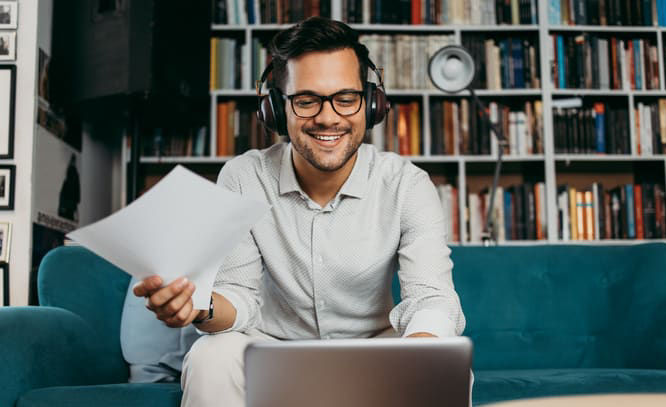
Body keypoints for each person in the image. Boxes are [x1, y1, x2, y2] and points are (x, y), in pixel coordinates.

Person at [133, 16, 467, 406]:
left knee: (445, 361)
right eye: (306, 100)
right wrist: (199, 306)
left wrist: (418, 358)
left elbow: (432, 300)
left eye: (346, 98)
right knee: (211, 356)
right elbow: (238, 298)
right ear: (275, 109)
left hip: (374, 352)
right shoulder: (243, 177)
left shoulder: (407, 184)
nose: (328, 117)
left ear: (372, 104)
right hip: (272, 349)